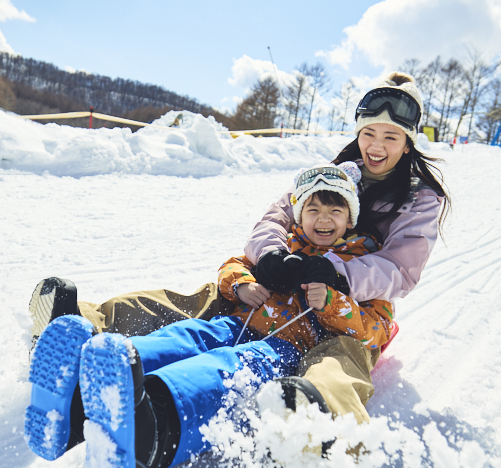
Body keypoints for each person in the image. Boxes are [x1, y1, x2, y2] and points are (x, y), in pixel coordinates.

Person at [29, 71, 447, 425]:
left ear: (408, 142)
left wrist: (338, 275)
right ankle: (81, 325)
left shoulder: (420, 197)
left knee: (339, 360)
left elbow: (401, 268)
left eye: (391, 137)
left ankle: (318, 422)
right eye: (369, 133)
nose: (376, 146)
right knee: (208, 299)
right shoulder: (333, 175)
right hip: (289, 283)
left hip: (351, 304)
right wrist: (270, 256)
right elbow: (276, 218)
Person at [25, 163, 394, 468]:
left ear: (350, 218)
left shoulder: (363, 264)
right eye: (313, 210)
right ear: (299, 214)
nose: (323, 219)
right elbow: (235, 264)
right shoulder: (285, 244)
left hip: (284, 347)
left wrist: (332, 302)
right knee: (186, 336)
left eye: (335, 211)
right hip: (239, 321)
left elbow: (377, 329)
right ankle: (79, 398)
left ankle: (150, 426)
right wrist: (243, 285)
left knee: (228, 369)